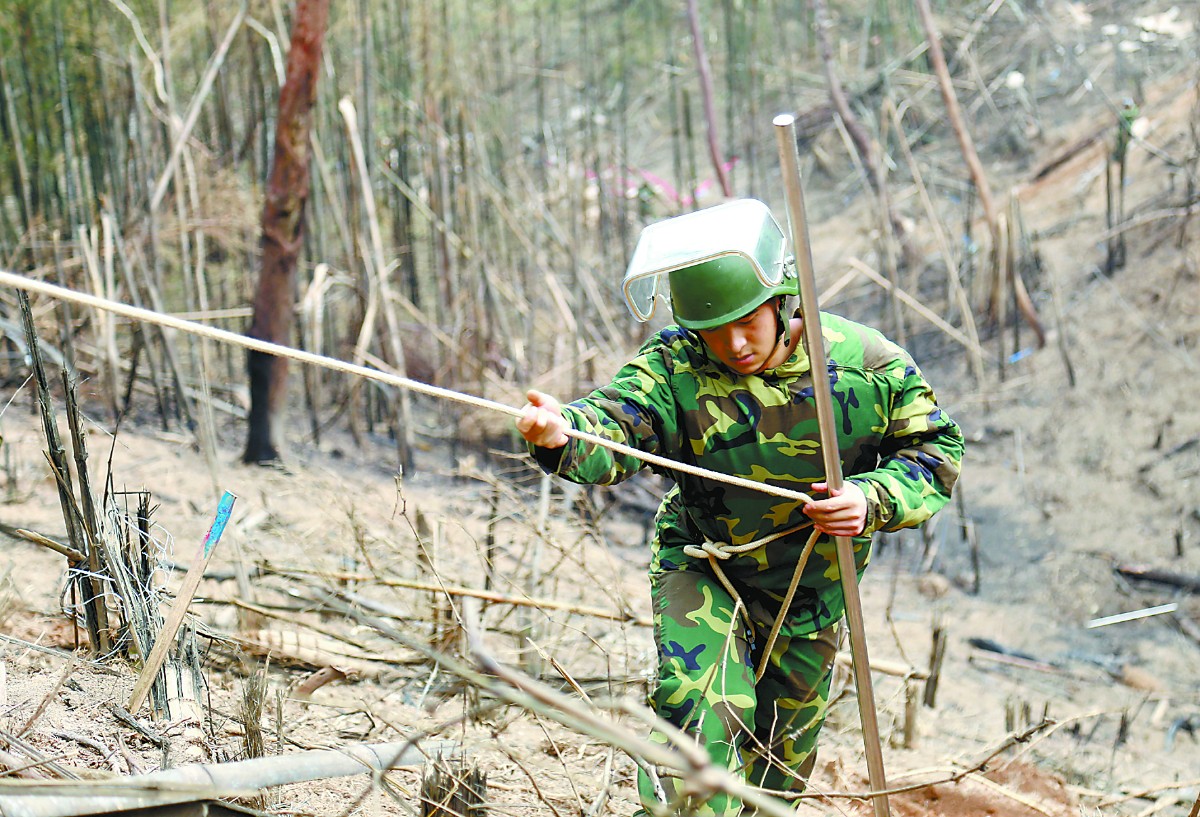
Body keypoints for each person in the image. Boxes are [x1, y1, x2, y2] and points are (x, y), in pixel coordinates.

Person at [515, 199, 963, 815]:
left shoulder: (867, 366)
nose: (733, 344)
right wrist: (562, 433)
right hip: (706, 563)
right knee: (702, 717)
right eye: (713, 330)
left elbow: (935, 451)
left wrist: (871, 497)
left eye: (747, 322)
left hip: (813, 588)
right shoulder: (677, 365)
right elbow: (617, 425)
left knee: (776, 774)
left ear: (783, 303)